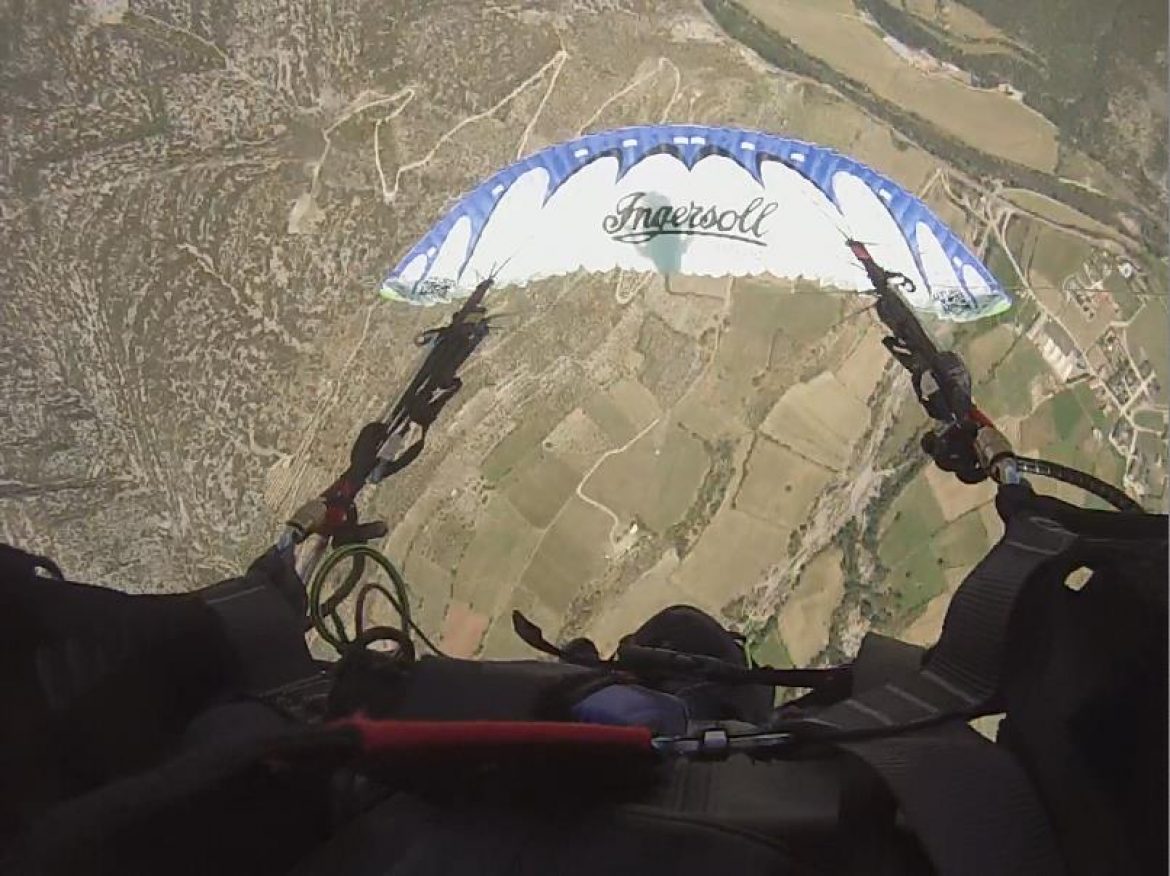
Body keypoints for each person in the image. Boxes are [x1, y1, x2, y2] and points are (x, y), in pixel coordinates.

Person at [1, 484, 1166, 875]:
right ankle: (676, 687)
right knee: (694, 647)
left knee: (687, 651)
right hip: (353, 788)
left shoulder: (107, 748)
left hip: (286, 781)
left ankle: (670, 687)